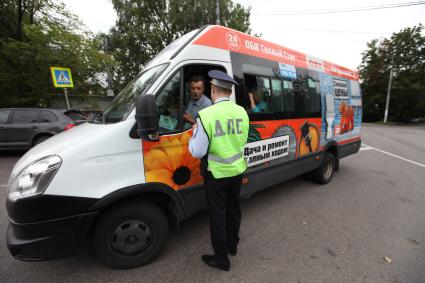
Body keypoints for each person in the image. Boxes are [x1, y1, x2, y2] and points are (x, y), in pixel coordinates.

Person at [189, 70, 249, 271]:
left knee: (218, 216)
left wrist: (192, 136)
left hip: (216, 174)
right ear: (229, 92)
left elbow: (197, 151)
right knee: (234, 211)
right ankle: (232, 246)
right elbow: (242, 141)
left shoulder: (206, 115)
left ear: (213, 89)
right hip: (237, 171)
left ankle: (221, 259)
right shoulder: (242, 112)